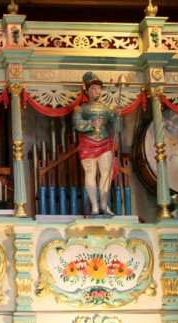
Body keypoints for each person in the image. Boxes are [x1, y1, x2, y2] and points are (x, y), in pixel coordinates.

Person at [73, 71, 121, 216]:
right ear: (87, 91)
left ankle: (104, 205)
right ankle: (94, 206)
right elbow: (78, 125)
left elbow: (118, 128)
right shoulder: (80, 109)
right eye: (93, 88)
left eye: (99, 88)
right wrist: (92, 124)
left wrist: (118, 116)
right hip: (88, 143)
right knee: (90, 172)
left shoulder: (108, 108)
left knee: (106, 173)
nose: (96, 91)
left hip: (104, 143)